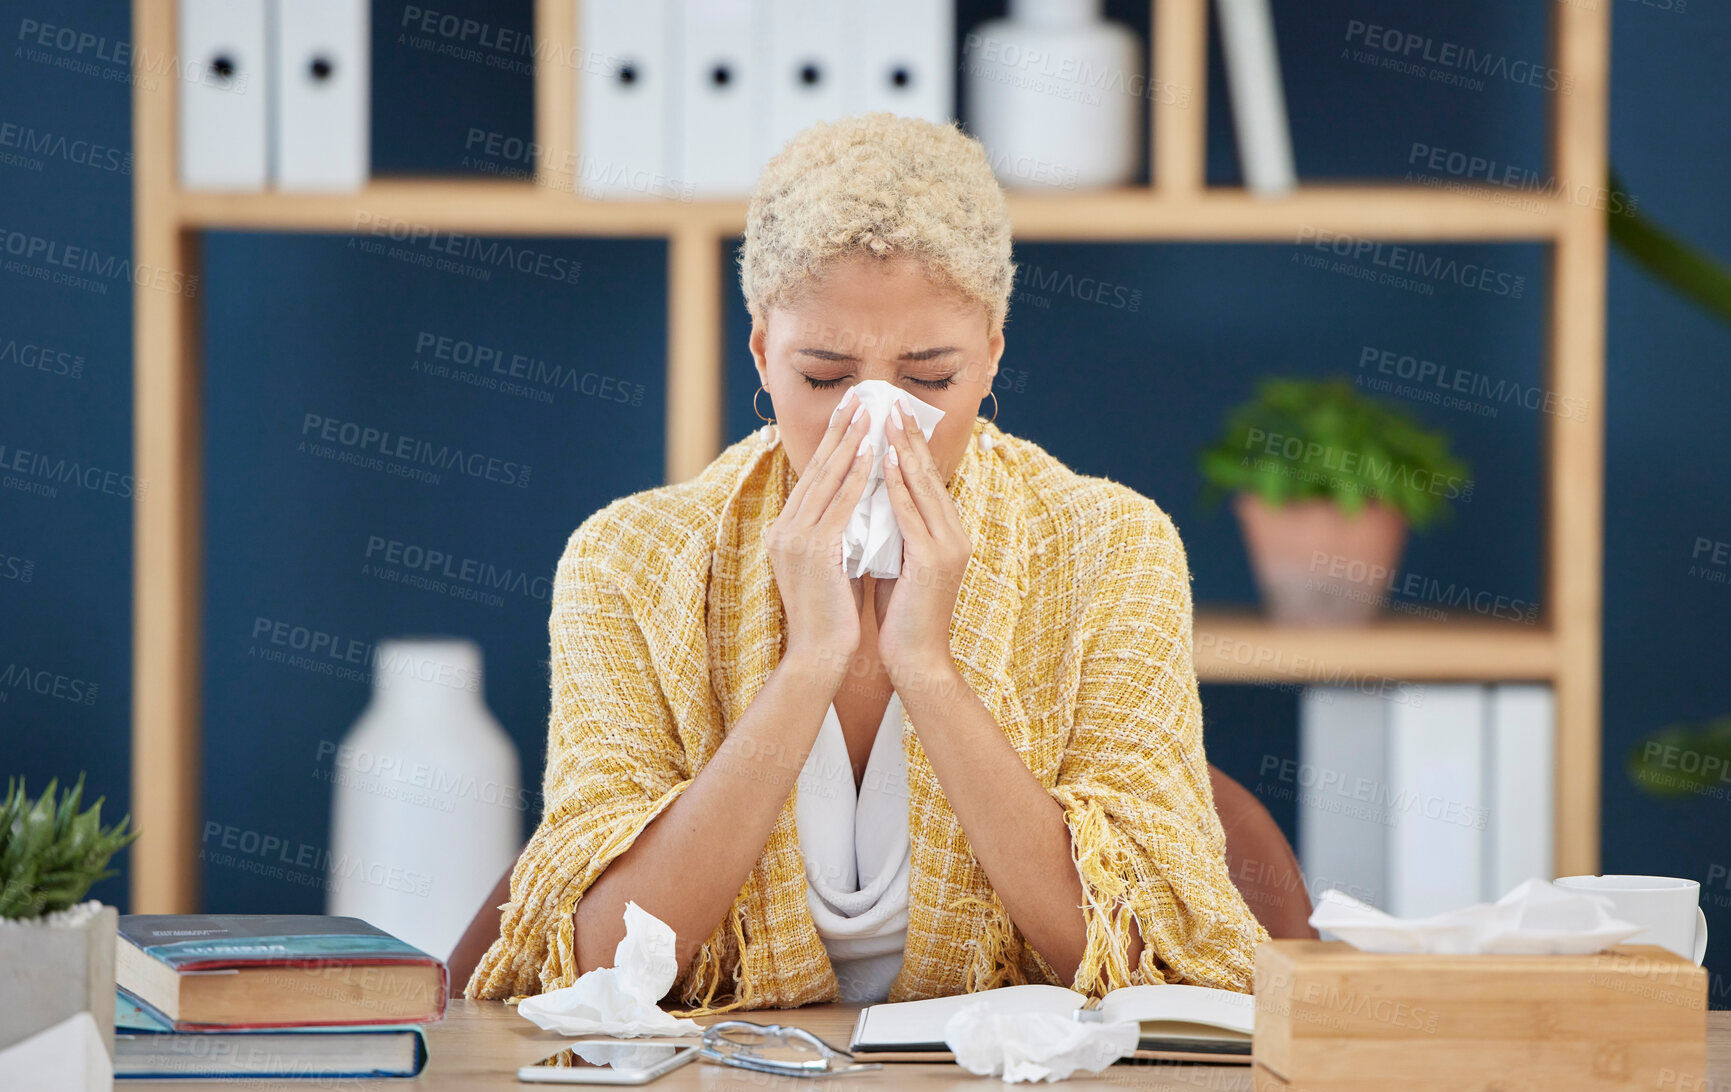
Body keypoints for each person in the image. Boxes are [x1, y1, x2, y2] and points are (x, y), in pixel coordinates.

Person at [465, 112, 1267, 1010]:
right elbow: (592, 964)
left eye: (929, 380)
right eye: (824, 377)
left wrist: (925, 667)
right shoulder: (628, 560)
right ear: (763, 352)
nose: (877, 425)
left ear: (993, 352)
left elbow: (1143, 954)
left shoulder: (1110, 547)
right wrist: (805, 666)